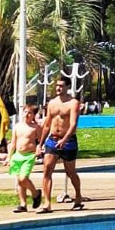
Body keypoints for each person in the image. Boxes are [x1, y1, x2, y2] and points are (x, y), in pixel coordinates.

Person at [38, 76, 83, 213]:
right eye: (57, 85)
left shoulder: (73, 103)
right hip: (52, 139)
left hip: (68, 141)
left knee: (70, 172)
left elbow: (74, 124)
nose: (58, 88)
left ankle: (78, 197)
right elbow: (47, 124)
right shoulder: (51, 103)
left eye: (61, 86)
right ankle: (47, 203)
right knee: (47, 170)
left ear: (67, 87)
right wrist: (40, 144)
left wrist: (64, 139)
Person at [8, 104, 42, 213]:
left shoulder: (36, 127)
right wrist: (9, 157)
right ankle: (23, 204)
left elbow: (40, 140)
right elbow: (13, 142)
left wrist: (39, 148)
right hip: (17, 155)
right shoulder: (17, 126)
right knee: (19, 181)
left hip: (29, 155)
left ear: (34, 115)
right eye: (25, 112)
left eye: (30, 113)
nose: (27, 115)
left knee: (23, 178)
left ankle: (35, 193)